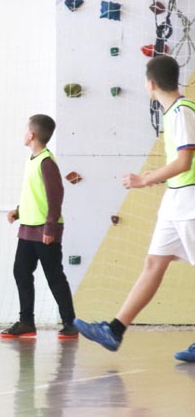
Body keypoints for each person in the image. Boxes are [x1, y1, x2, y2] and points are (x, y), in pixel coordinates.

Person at [75, 55, 195, 361]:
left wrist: (145, 179)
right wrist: (158, 178)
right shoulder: (173, 113)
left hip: (190, 202)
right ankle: (114, 330)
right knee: (154, 263)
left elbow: (184, 162)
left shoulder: (182, 111)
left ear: (150, 84)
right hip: (175, 202)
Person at [0, 114, 78, 340]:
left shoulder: (46, 162)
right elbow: (34, 194)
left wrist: (50, 228)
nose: (23, 132)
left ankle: (70, 324)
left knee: (54, 276)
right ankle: (26, 322)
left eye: (26, 129)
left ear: (32, 135)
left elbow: (55, 196)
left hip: (44, 231)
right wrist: (18, 211)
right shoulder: (32, 160)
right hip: (27, 229)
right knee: (21, 271)